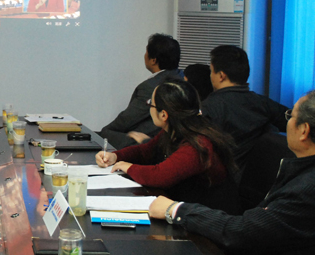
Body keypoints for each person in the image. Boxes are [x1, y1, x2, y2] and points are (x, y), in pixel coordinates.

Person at [149, 90, 315, 255]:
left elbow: (242, 231)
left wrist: (176, 210)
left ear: (304, 130)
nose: (287, 121)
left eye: (291, 115)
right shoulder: (303, 172)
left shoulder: (308, 189)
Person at [97, 79, 238, 212]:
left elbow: (160, 176)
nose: (149, 107)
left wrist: (128, 167)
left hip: (207, 218)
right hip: (184, 208)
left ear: (164, 115)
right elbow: (144, 152)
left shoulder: (197, 145)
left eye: (150, 104)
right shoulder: (174, 130)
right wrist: (116, 156)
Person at [202, 45, 287, 170]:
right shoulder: (263, 104)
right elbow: (293, 120)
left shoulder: (208, 107)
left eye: (211, 71)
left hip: (218, 176)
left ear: (221, 76)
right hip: (254, 177)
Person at [98, 34, 183, 149]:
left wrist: (105, 132)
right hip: (169, 141)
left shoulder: (151, 86)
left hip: (150, 143)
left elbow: (127, 120)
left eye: (146, 52)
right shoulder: (182, 77)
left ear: (153, 60)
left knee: (104, 135)